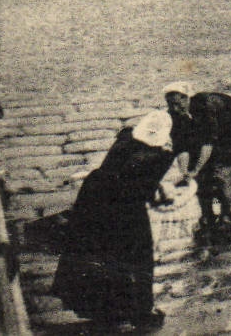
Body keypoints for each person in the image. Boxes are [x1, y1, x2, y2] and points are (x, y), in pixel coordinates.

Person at [52, 110, 174, 330]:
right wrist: (162, 193)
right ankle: (140, 312)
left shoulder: (125, 136)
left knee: (94, 253)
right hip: (125, 210)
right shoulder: (159, 156)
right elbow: (144, 192)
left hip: (93, 201)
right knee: (138, 257)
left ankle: (102, 309)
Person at [165, 84, 231, 232]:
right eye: (171, 105)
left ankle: (226, 213)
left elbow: (208, 142)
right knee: (198, 175)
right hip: (205, 139)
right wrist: (186, 171)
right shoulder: (173, 115)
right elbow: (181, 146)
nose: (174, 109)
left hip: (227, 133)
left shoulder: (206, 108)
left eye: (178, 104)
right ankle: (207, 214)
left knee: (222, 170)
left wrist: (197, 168)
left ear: (187, 98)